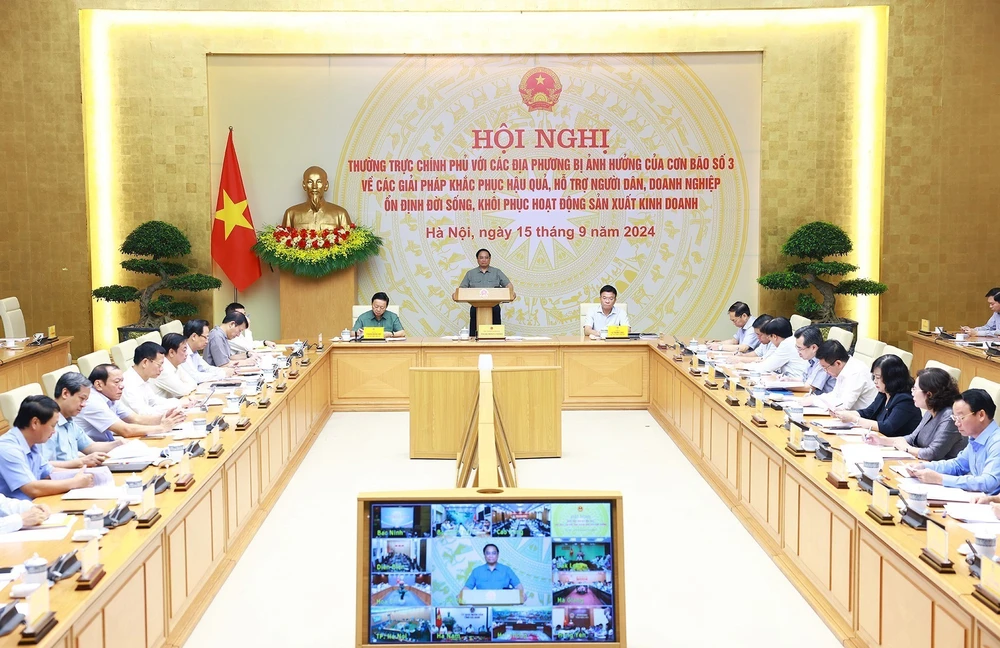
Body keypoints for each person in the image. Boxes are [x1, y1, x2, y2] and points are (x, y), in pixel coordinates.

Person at [0, 396, 94, 500]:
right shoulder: (8, 449)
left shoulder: (31, 443)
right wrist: (74, 482)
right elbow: (32, 489)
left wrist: (83, 474)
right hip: (16, 513)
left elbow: (48, 472)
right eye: (53, 426)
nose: (54, 431)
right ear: (35, 423)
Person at [911, 389, 1000, 494]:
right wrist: (923, 466)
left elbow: (988, 483)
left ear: (981, 415)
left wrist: (940, 479)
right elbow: (958, 465)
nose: (957, 423)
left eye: (960, 417)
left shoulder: (996, 442)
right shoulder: (975, 438)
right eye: (955, 417)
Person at [866, 367, 966, 460]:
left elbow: (934, 453)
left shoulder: (949, 417)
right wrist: (881, 440)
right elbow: (912, 438)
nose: (912, 392)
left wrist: (906, 449)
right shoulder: (930, 411)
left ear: (929, 394)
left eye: (915, 389)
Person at [77, 364, 185, 442]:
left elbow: (135, 419)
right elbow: (125, 430)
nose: (122, 385)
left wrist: (164, 418)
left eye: (122, 380)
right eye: (116, 382)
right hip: (91, 453)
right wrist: (161, 428)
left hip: (107, 445)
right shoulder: (92, 402)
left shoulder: (110, 396)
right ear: (99, 385)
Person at [44, 372, 122, 468]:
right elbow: (43, 465)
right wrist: (81, 462)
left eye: (86, 400)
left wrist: (119, 444)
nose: (83, 404)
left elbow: (90, 447)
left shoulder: (69, 420)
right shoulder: (46, 423)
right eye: (82, 398)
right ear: (65, 393)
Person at [834, 354, 922, 436]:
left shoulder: (906, 400)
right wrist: (843, 414)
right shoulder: (883, 393)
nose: (875, 381)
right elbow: (869, 412)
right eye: (874, 377)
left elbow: (887, 427)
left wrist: (853, 419)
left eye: (878, 377)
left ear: (892, 378)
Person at [803, 340, 878, 410]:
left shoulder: (856, 373)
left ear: (838, 363)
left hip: (863, 420)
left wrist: (814, 402)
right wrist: (814, 398)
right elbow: (835, 395)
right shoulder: (845, 368)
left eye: (825, 367)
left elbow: (843, 406)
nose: (825, 371)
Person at [456, 249, 516, 333]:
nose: (484, 260)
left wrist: (510, 293)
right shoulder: (470, 273)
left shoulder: (497, 272)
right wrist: (456, 294)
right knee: (474, 335)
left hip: (494, 307)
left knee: (495, 335)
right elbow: (462, 289)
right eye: (481, 258)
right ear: (477, 259)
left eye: (486, 257)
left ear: (490, 259)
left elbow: (509, 285)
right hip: (475, 306)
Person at [122, 341, 188, 414]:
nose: (162, 369)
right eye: (159, 365)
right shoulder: (128, 383)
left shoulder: (142, 378)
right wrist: (177, 405)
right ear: (145, 363)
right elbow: (144, 413)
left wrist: (179, 403)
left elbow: (155, 401)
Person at [281, 165, 354, 231]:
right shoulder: (291, 214)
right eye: (310, 182)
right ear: (304, 185)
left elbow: (350, 242)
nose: (314, 186)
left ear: (326, 185)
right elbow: (283, 241)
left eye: (319, 182)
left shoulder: (340, 214)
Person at [738, 317, 808, 379]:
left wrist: (744, 366)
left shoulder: (786, 344)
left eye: (770, 338)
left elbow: (766, 367)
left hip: (797, 384)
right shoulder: (790, 340)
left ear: (774, 336)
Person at [460, 544, 525, 604]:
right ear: (484, 555)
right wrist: (461, 596)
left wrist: (521, 595)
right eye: (488, 553)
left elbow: (518, 586)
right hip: (482, 607)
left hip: (502, 606)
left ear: (498, 554)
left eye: (493, 553)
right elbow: (467, 588)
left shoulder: (506, 570)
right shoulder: (477, 571)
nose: (491, 556)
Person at [180, 319, 234, 383]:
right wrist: (222, 374)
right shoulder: (182, 352)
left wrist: (224, 371)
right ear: (194, 336)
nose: (207, 341)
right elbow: (195, 377)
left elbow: (206, 368)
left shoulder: (194, 351)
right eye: (205, 337)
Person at [153, 332, 198, 398]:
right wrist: (186, 387)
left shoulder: (176, 364)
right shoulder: (162, 368)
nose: (186, 354)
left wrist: (186, 387)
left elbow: (193, 383)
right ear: (171, 352)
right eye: (184, 350)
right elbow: (182, 391)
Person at [794, 326, 835, 394]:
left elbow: (810, 388)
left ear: (813, 347)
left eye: (800, 348)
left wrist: (784, 387)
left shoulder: (824, 360)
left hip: (825, 401)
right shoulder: (811, 358)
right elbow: (804, 380)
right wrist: (789, 380)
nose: (798, 351)